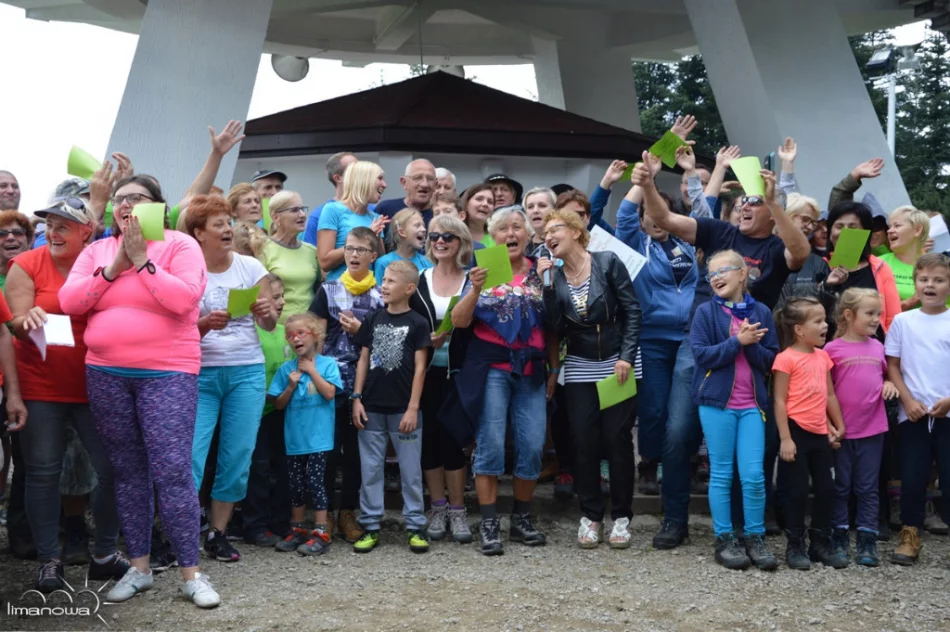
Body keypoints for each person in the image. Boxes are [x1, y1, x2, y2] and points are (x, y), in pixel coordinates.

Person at [634, 151, 810, 550]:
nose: (745, 207)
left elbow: (799, 253)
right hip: (699, 346)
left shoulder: (776, 246)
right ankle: (674, 520)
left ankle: (744, 526)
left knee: (752, 443)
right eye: (742, 202)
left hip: (752, 352)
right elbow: (665, 219)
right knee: (678, 434)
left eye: (754, 203)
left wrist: (775, 203)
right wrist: (647, 185)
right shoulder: (720, 232)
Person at [58, 174, 220, 608]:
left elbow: (185, 301)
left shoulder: (180, 246)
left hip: (167, 373)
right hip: (106, 372)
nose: (125, 205)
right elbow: (71, 302)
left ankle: (192, 573)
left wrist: (142, 260)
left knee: (172, 471)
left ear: (158, 206)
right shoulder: (97, 251)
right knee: (128, 473)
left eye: (137, 198)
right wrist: (114, 267)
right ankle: (140, 567)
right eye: (119, 199)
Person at [448, 207, 556, 556]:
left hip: (533, 370)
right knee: (491, 444)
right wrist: (475, 289)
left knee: (533, 444)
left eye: (517, 227)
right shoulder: (482, 270)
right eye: (504, 229)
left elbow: (553, 327)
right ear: (492, 237)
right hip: (492, 368)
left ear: (528, 235)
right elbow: (458, 321)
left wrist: (554, 370)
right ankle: (490, 523)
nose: (511, 233)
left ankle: (522, 519)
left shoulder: (542, 271)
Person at [6, 198, 100, 591]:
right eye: (50, 225)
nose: (54, 232)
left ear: (86, 232)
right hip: (41, 386)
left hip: (96, 386)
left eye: (64, 226)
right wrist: (25, 320)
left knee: (109, 471)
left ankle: (106, 552)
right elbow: (12, 324)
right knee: (42, 474)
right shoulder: (27, 264)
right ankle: (49, 559)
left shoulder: (100, 263)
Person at [538, 208, 641, 550]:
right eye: (545, 234)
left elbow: (632, 310)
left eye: (555, 229)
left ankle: (622, 517)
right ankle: (592, 515)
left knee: (617, 439)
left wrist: (626, 356)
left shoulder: (607, 262)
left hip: (618, 361)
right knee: (583, 441)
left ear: (575, 231)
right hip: (581, 364)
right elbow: (555, 326)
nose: (548, 237)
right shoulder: (554, 276)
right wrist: (547, 286)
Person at [186, 195, 276, 563]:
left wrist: (266, 311)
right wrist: (205, 324)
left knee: (237, 456)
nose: (227, 229)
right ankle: (182, 530)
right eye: (218, 224)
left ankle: (218, 533)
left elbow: (269, 324)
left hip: (246, 370)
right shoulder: (188, 269)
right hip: (200, 372)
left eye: (228, 222)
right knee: (192, 456)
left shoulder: (251, 266)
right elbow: (177, 330)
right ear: (199, 233)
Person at [689, 250, 778, 571]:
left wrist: (750, 344)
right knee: (722, 473)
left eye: (723, 270)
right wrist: (737, 342)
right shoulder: (705, 312)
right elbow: (702, 355)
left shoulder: (762, 312)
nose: (716, 277)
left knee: (753, 476)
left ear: (742, 274)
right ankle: (724, 538)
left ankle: (754, 536)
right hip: (716, 405)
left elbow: (771, 360)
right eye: (711, 274)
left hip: (753, 405)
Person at [615, 159, 698, 496]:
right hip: (651, 339)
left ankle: (683, 463)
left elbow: (705, 210)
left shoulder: (687, 245)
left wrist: (694, 172)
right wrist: (644, 179)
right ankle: (649, 463)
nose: (655, 217)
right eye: (649, 211)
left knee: (686, 408)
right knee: (654, 407)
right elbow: (624, 215)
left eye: (661, 210)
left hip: (689, 339)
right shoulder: (636, 243)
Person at [310, 226, 386, 544]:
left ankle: (348, 513)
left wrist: (361, 331)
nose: (354, 255)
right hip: (329, 383)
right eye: (350, 248)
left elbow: (387, 341)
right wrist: (312, 375)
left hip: (364, 386)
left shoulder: (381, 295)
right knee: (327, 451)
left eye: (361, 250)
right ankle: (324, 515)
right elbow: (314, 334)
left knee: (356, 453)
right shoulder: (328, 290)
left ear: (373, 256)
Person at [351, 260, 431, 553]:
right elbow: (363, 360)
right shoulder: (373, 319)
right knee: (370, 470)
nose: (384, 286)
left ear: (409, 288)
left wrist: (412, 408)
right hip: (371, 408)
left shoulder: (419, 323)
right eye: (383, 280)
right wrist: (356, 398)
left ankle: (415, 526)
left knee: (410, 471)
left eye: (391, 281)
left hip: (403, 410)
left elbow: (420, 368)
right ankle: (370, 526)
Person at [410, 215, 474, 543]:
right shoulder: (418, 278)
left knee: (453, 440)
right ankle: (437, 508)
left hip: (460, 372)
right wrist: (426, 339)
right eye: (434, 235)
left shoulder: (472, 280)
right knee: (429, 441)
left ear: (461, 241)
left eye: (448, 236)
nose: (439, 241)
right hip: (423, 374)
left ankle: (458, 510)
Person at [885, 253, 950, 566]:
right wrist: (907, 401)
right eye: (923, 279)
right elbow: (893, 365)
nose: (930, 285)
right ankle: (910, 534)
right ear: (915, 283)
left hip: (947, 413)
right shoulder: (903, 321)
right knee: (912, 477)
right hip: (913, 414)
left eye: (938, 280)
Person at [773, 296, 847, 571]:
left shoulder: (823, 357)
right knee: (797, 491)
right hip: (796, 433)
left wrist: (837, 425)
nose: (825, 325)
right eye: (818, 321)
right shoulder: (785, 359)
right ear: (799, 330)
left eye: (824, 319)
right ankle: (795, 545)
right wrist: (785, 438)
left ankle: (820, 543)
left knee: (827, 489)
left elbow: (828, 395)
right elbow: (779, 400)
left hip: (820, 434)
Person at [826, 288, 896, 567]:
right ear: (848, 314)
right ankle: (839, 537)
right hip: (842, 432)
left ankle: (868, 540)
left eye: (878, 313)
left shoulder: (879, 347)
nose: (876, 319)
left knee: (868, 487)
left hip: (873, 430)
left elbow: (887, 377)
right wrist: (829, 425)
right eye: (870, 313)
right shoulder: (831, 350)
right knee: (840, 486)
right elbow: (824, 391)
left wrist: (889, 384)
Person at [268, 312, 342, 556]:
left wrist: (312, 370)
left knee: (316, 483)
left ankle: (321, 532)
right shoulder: (286, 370)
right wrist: (290, 386)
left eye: (301, 333)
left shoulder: (327, 364)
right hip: (295, 440)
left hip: (319, 439)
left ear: (315, 335)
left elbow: (329, 394)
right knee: (296, 484)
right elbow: (278, 404)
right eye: (290, 336)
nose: (296, 339)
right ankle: (298, 528)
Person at [242, 274, 294, 548]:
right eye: (275, 297)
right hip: (256, 414)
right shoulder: (251, 333)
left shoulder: (286, 333)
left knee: (283, 467)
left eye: (283, 296)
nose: (282, 302)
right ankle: (254, 525)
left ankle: (280, 522)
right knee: (259, 469)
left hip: (282, 413)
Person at [819, 201, 900, 337]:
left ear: (865, 233)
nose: (845, 232)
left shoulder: (880, 267)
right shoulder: (819, 265)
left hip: (873, 346)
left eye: (852, 227)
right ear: (830, 232)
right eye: (839, 226)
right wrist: (827, 286)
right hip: (830, 346)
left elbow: (893, 318)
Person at [317, 161, 389, 281]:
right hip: (340, 289)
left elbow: (379, 263)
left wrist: (376, 237)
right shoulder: (333, 210)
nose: (385, 184)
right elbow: (325, 262)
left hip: (368, 289)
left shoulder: (375, 217)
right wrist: (366, 235)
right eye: (380, 178)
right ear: (364, 180)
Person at [259, 190, 320, 324]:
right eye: (294, 210)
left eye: (302, 209)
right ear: (276, 218)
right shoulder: (263, 249)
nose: (302, 215)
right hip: (276, 327)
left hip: (308, 328)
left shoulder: (311, 251)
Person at [776, 193, 830, 308]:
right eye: (805, 220)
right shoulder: (762, 251)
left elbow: (826, 309)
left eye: (813, 223)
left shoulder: (818, 263)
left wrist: (828, 285)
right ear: (786, 216)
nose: (810, 227)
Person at [880, 206, 932, 310]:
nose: (889, 231)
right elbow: (868, 309)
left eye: (897, 226)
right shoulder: (878, 263)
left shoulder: (937, 266)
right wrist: (909, 302)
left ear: (917, 230)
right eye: (889, 227)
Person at [303, 152, 358, 247]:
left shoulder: (371, 210)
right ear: (338, 178)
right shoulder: (319, 215)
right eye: (355, 170)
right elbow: (311, 253)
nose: (362, 173)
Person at [373, 159, 437, 225]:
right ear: (404, 182)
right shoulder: (385, 210)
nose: (424, 184)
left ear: (436, 184)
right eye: (418, 178)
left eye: (430, 179)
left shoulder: (439, 214)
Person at [374, 208, 432, 280]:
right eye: (417, 225)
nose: (424, 229)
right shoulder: (383, 263)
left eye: (423, 226)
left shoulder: (427, 263)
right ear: (402, 232)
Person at [0, 210, 34, 289]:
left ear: (29, 241)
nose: (10, 237)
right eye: (2, 234)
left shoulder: (41, 274)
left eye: (18, 232)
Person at [523, 187, 556, 256]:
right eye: (530, 207)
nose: (535, 210)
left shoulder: (563, 242)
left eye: (542, 206)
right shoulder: (522, 245)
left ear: (554, 209)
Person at [461, 184, 495, 248]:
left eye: (490, 202)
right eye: (479, 199)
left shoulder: (496, 239)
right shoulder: (453, 237)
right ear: (466, 203)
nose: (485, 204)